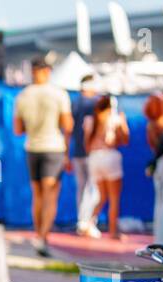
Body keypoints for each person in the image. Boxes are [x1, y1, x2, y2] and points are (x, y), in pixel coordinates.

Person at [13, 54, 73, 257]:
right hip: (53, 147)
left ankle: (38, 234)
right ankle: (43, 237)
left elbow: (18, 129)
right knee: (51, 195)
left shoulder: (22, 96)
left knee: (37, 195)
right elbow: (68, 125)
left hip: (32, 147)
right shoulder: (59, 94)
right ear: (47, 72)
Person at [84, 95, 130, 240]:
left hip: (94, 158)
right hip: (109, 157)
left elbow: (86, 145)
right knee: (114, 197)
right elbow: (125, 139)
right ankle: (113, 231)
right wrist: (123, 122)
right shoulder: (115, 119)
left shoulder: (90, 120)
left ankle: (89, 223)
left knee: (102, 195)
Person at [69, 74, 101, 238]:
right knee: (92, 189)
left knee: (83, 188)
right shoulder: (94, 103)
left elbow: (69, 129)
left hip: (79, 152)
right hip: (90, 152)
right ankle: (85, 222)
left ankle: (83, 221)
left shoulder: (75, 103)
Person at [144, 92, 163, 244]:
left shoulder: (152, 125)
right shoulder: (162, 125)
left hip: (159, 166)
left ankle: (161, 237)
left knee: (161, 202)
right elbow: (161, 147)